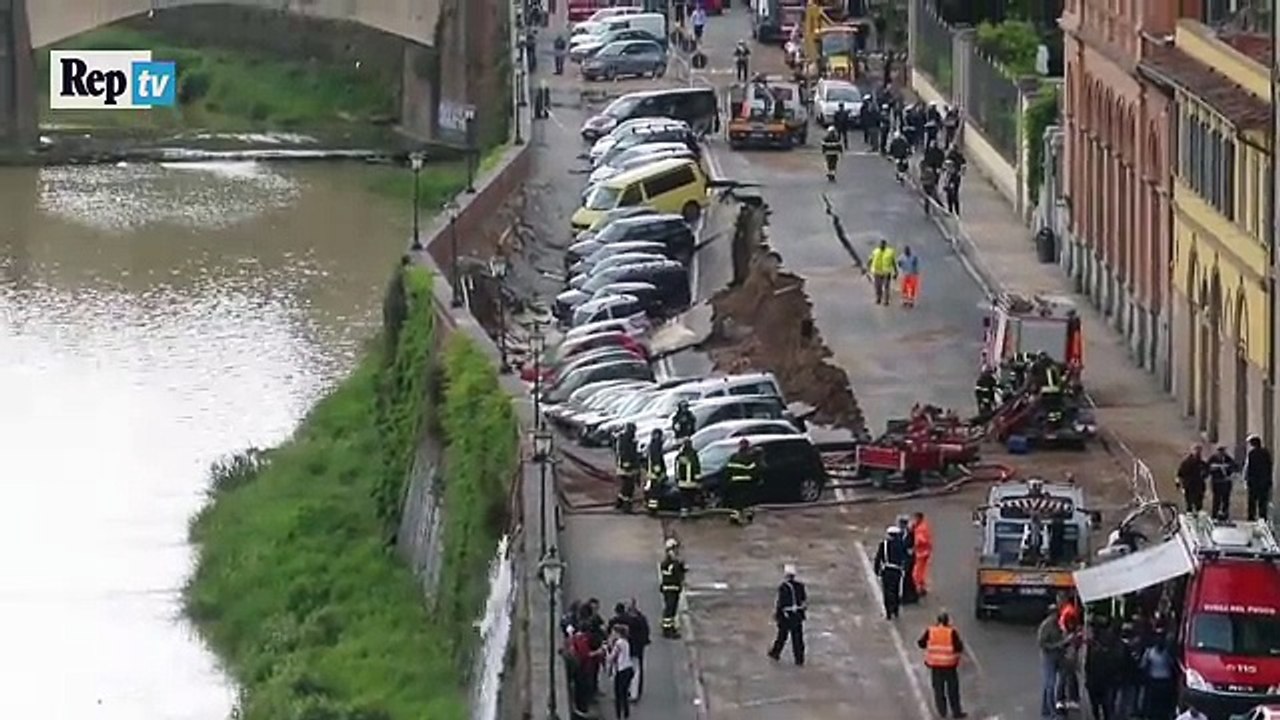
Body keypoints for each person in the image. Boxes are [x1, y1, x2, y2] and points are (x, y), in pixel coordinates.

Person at [918, 612, 967, 719]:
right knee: (952, 690)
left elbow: (921, 643)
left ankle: (942, 712)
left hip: (935, 666)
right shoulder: (952, 632)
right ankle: (956, 712)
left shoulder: (931, 631)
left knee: (938, 690)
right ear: (947, 621)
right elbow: (959, 647)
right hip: (949, 666)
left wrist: (931, 645)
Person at [768, 564, 808, 665]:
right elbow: (804, 601)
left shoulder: (783, 587)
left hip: (786, 616)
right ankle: (799, 658)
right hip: (797, 615)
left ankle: (775, 653)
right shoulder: (800, 586)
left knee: (782, 636)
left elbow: (781, 603)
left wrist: (777, 615)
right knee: (798, 638)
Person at [1037, 607, 1068, 720]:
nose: (1057, 615)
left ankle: (1047, 710)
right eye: (1055, 614)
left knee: (1054, 683)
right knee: (1050, 684)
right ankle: (1050, 712)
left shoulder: (1058, 624)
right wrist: (1057, 645)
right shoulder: (1046, 626)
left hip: (1058, 656)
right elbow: (1042, 643)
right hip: (1049, 657)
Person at [874, 525, 908, 619]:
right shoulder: (901, 545)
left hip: (887, 570)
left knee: (887, 591)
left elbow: (878, 558)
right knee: (896, 590)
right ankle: (895, 610)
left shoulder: (884, 544)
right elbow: (906, 558)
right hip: (897, 571)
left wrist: (877, 570)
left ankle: (888, 612)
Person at [1139, 635, 1177, 720]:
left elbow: (1172, 665)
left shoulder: (1167, 653)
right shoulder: (1149, 652)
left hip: (1165, 681)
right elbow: (1143, 666)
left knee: (1163, 704)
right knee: (1153, 703)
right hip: (1154, 681)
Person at [724, 438, 760, 524]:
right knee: (746, 500)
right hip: (747, 482)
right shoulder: (750, 458)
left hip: (735, 482)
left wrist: (728, 480)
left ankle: (735, 516)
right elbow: (754, 471)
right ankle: (748, 515)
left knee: (736, 500)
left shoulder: (733, 457)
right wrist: (756, 480)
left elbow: (728, 470)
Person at [658, 538, 686, 638]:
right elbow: (677, 574)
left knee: (672, 609)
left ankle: (670, 627)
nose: (676, 552)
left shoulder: (667, 563)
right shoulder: (671, 564)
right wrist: (680, 567)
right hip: (671, 589)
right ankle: (667, 630)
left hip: (670, 588)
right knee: (670, 610)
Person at [622, 600, 649, 702]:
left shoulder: (626, 620)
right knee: (636, 671)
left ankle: (629, 692)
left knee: (627, 670)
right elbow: (646, 633)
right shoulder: (642, 619)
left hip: (628, 649)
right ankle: (635, 693)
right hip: (638, 649)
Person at [606, 624, 635, 719]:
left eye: (613, 632)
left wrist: (606, 650)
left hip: (622, 671)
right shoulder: (626, 642)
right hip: (629, 668)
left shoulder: (618, 643)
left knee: (618, 695)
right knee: (624, 692)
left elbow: (611, 658)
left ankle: (618, 715)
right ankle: (626, 713)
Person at [1243, 433, 1274, 521]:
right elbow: (1269, 466)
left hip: (1254, 481)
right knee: (1263, 501)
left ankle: (1251, 516)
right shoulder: (1266, 453)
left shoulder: (1252, 454)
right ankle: (1262, 517)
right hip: (1264, 482)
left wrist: (1247, 479)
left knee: (1252, 500)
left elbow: (1250, 468)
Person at [1207, 444, 1238, 520]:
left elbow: (1234, 467)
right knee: (1216, 499)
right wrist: (1214, 468)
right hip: (1216, 482)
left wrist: (1228, 468)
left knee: (1226, 500)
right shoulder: (1213, 459)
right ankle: (1214, 514)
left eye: (1222, 451)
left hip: (1226, 482)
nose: (1221, 453)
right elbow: (1207, 468)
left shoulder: (1228, 459)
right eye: (1219, 451)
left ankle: (1225, 515)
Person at [615, 423, 640, 512]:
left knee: (626, 486)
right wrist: (628, 466)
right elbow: (625, 454)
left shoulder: (628, 439)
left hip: (627, 467)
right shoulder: (626, 440)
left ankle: (619, 503)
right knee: (629, 487)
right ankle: (626, 506)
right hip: (627, 468)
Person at [1176, 444, 1208, 513]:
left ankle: (1198, 516)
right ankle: (1189, 515)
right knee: (1189, 503)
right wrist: (1178, 483)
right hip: (1189, 485)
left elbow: (1207, 472)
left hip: (1199, 485)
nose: (1198, 452)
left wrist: (1204, 474)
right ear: (1192, 451)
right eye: (1196, 450)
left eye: (1199, 450)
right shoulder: (1186, 462)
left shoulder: (1202, 463)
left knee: (1199, 503)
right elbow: (1180, 474)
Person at [674, 439, 701, 517]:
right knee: (691, 497)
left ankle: (684, 513)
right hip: (691, 483)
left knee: (684, 499)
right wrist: (698, 480)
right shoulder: (693, 455)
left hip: (682, 482)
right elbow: (696, 467)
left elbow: (676, 468)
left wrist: (677, 479)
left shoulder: (680, 456)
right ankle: (693, 512)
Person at [643, 429, 667, 513]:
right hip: (655, 474)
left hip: (653, 473)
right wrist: (659, 472)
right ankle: (652, 509)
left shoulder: (653, 444)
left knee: (653, 491)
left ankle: (652, 507)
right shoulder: (655, 446)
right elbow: (656, 459)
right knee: (654, 492)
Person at [868, 239, 897, 306]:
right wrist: (867, 268)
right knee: (878, 286)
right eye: (880, 244)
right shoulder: (875, 251)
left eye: (883, 244)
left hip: (886, 273)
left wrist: (896, 271)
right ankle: (878, 298)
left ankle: (886, 301)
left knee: (886, 286)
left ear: (885, 245)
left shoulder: (890, 252)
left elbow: (893, 262)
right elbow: (870, 259)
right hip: (877, 272)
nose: (881, 245)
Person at [911, 511, 933, 597]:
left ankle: (919, 587)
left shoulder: (921, 528)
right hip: (925, 552)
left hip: (921, 553)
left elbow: (920, 540)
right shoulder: (923, 526)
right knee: (922, 570)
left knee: (918, 571)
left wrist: (915, 545)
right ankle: (922, 586)